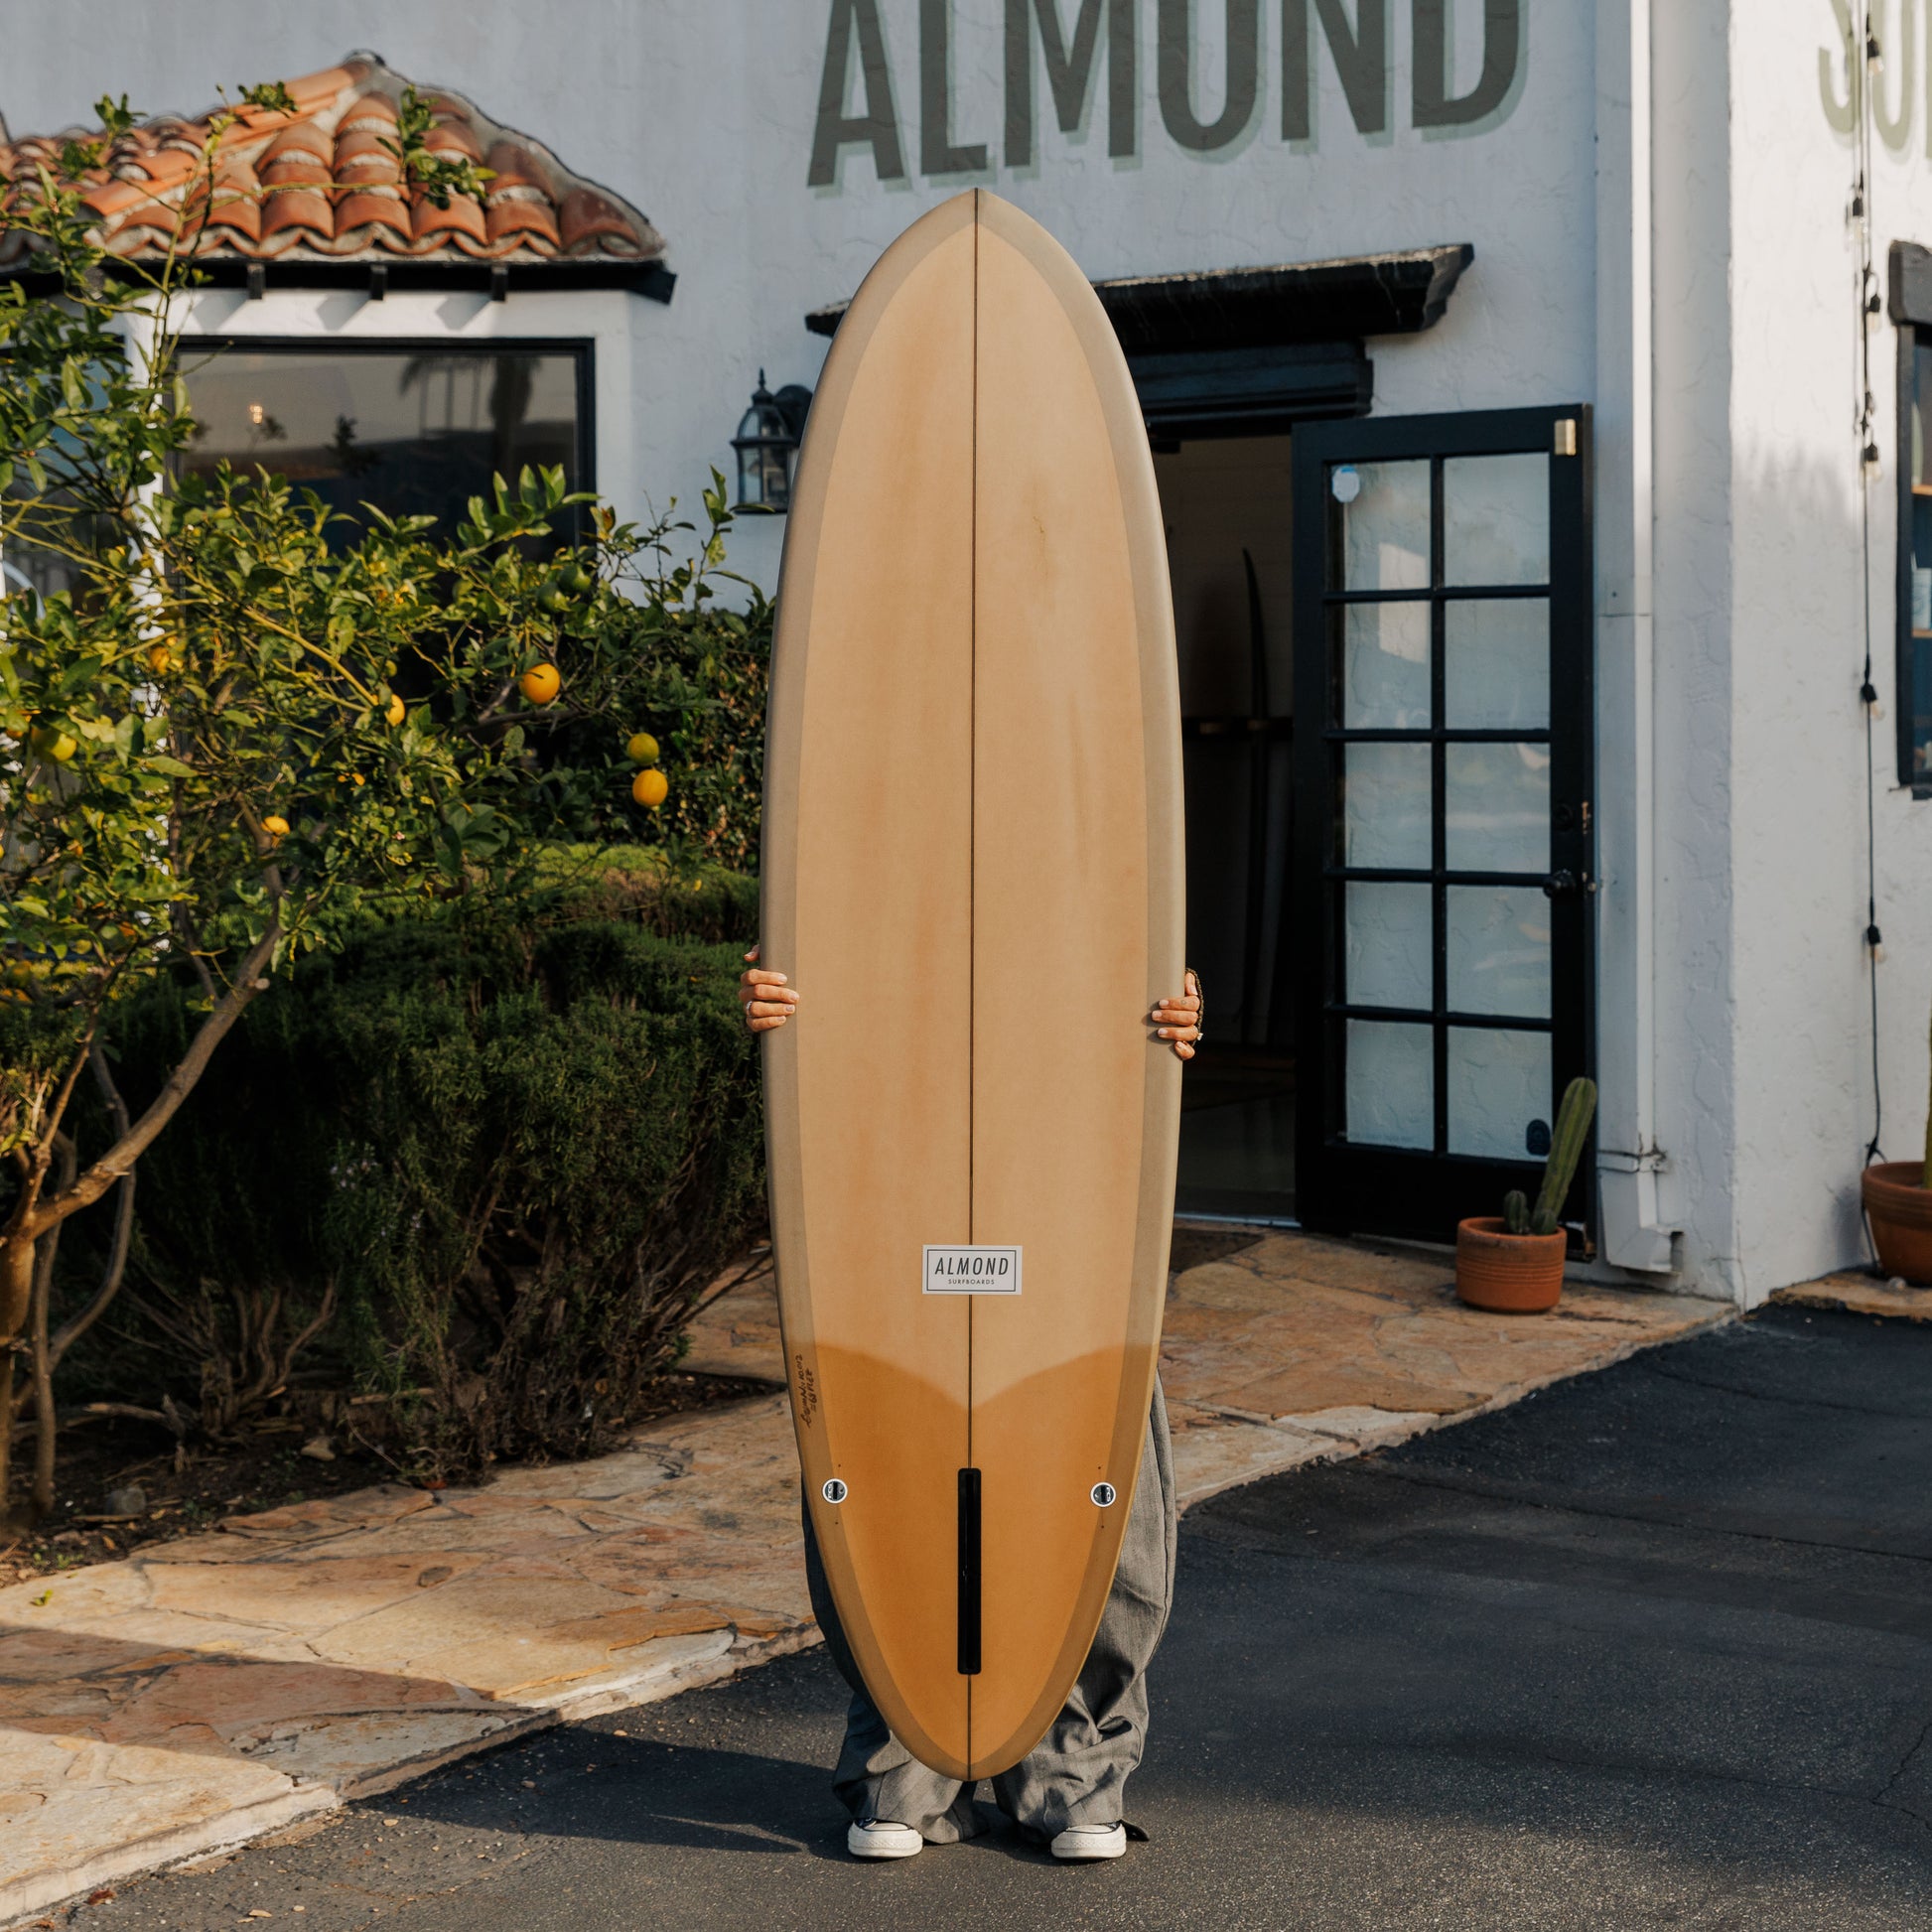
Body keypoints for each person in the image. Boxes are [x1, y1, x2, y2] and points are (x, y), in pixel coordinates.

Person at [740, 949, 1203, 1863]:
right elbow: (843, 937)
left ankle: (1072, 1775)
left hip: (1075, 1197)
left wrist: (1163, 1019)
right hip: (888, 1186)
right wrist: (786, 990)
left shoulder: (1080, 826)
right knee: (885, 1483)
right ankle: (902, 1766)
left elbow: (1110, 941)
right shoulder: (870, 828)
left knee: (1101, 1498)